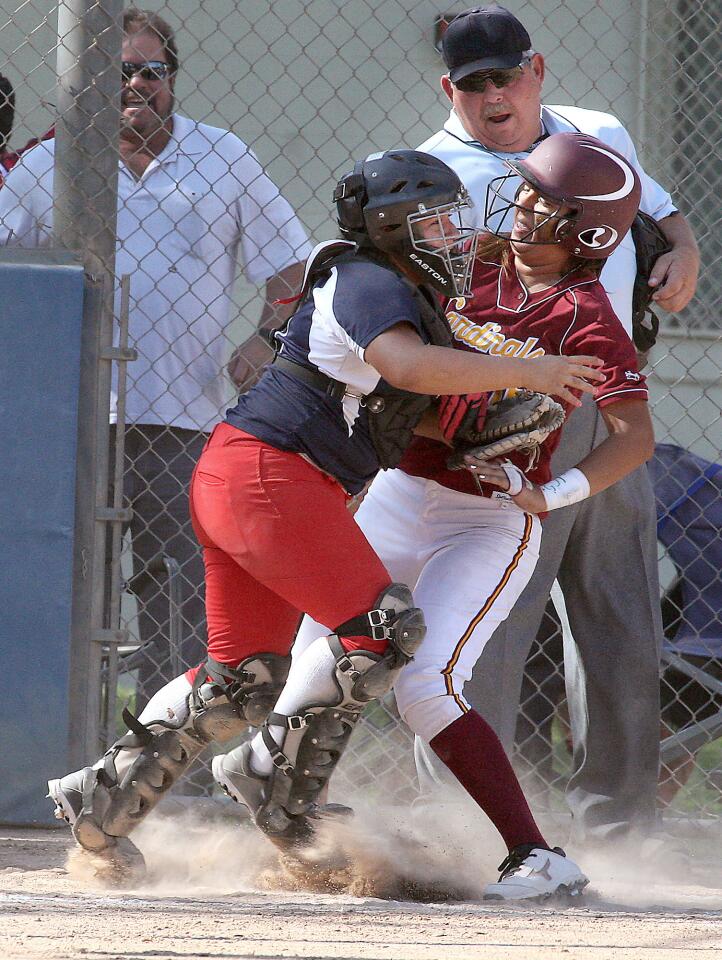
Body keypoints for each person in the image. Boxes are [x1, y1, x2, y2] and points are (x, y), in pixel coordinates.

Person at [46, 147, 603, 895]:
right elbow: (405, 368)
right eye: (435, 221)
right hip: (271, 476)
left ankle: (101, 801)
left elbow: (408, 407)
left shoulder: (407, 294)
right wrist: (528, 372)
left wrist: (483, 431)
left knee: (241, 681)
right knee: (379, 632)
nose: (454, 237)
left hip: (253, 477)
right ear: (391, 226)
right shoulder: (365, 276)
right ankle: (286, 805)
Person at [294, 132, 654, 899]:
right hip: (398, 491)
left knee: (426, 681)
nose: (523, 204)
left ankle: (538, 857)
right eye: (525, 190)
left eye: (547, 203)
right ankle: (302, 818)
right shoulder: (470, 257)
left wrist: (550, 496)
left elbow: (636, 437)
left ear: (588, 233)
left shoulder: (584, 312)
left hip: (486, 518)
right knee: (319, 658)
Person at [412, 4, 700, 843]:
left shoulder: (598, 133)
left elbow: (664, 214)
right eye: (475, 84)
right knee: (489, 619)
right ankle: (466, 829)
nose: (494, 94)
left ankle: (620, 826)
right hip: (505, 417)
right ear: (449, 90)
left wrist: (682, 252)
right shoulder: (430, 172)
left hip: (611, 409)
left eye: (507, 75)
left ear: (536, 70)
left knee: (619, 619)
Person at [0, 10, 310, 719]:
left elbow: (293, 269)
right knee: (66, 593)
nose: (135, 86)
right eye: (115, 74)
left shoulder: (223, 157)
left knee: (181, 596)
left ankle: (173, 760)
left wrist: (267, 338)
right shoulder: (51, 165)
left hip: (183, 419)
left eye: (150, 71)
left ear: (172, 78)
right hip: (68, 420)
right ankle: (61, 742)